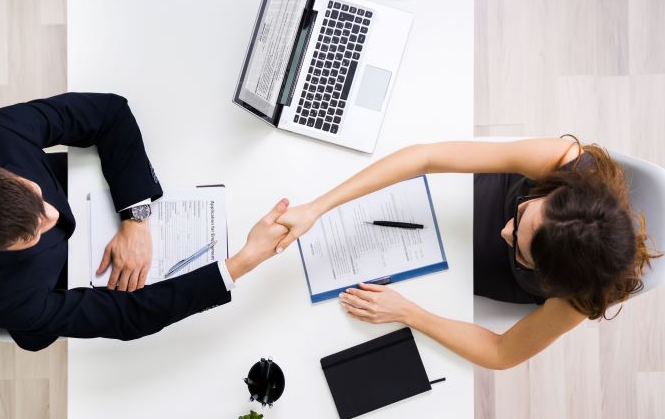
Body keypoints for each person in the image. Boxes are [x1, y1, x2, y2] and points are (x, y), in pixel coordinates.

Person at [0, 92, 290, 351]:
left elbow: (109, 113)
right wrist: (241, 263)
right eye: (33, 232)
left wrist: (136, 218)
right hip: (57, 289)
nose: (52, 214)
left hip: (84, 191)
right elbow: (125, 316)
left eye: (35, 194)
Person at [273, 137, 660, 369]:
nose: (505, 231)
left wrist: (408, 313)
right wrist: (318, 208)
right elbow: (425, 157)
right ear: (559, 191)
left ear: (552, 278)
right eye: (523, 214)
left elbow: (502, 352)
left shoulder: (581, 293)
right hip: (466, 200)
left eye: (521, 250)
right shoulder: (565, 161)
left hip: (478, 274)